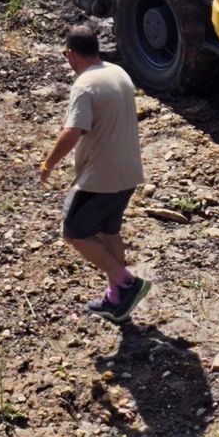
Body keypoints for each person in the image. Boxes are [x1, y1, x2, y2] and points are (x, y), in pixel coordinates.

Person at [39, 25, 150, 323]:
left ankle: (126, 283)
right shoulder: (118, 73)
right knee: (108, 231)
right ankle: (117, 299)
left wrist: (48, 164)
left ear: (70, 55)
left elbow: (73, 131)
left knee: (74, 232)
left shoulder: (85, 85)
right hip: (128, 172)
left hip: (100, 178)